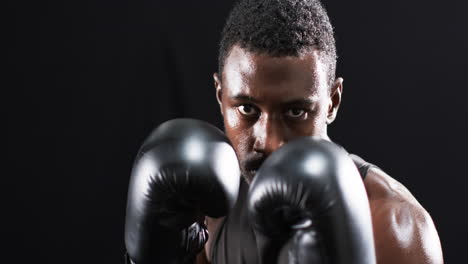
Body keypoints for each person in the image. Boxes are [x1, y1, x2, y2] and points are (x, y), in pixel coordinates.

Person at [199, 0, 443, 263]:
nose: (269, 142)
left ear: (332, 102)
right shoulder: (209, 211)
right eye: (247, 109)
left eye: (295, 112)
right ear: (220, 95)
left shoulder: (394, 226)